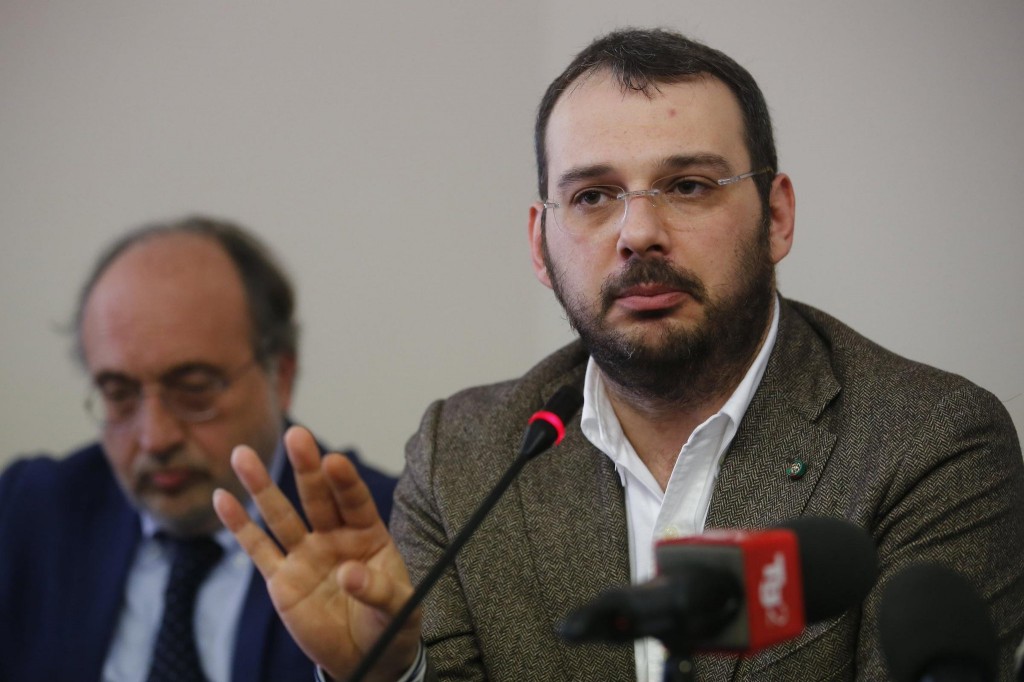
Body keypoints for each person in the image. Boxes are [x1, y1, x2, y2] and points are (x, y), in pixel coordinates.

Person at [215, 29, 1024, 681]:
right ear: (541, 243)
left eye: (689, 185)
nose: (638, 233)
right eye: (593, 196)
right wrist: (395, 671)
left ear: (776, 217)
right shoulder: (462, 456)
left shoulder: (930, 442)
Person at [0, 216, 397, 682]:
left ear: (282, 376)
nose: (155, 438)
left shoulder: (385, 538)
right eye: (119, 393)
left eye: (194, 389)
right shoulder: (27, 513)